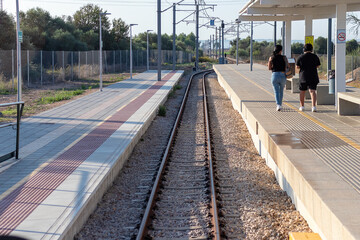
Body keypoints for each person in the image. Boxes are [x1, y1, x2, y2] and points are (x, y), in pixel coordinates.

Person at [296, 43, 321, 112]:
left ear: (304, 49)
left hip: (303, 76)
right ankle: (313, 107)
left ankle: (302, 106)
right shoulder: (315, 56)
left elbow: (297, 67)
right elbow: (318, 66)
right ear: (312, 49)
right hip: (313, 76)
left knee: (302, 91)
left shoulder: (300, 57)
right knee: (312, 91)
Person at [268, 45, 289, 111]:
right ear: (281, 51)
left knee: (276, 91)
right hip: (282, 75)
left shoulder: (271, 57)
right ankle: (280, 104)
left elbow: (269, 68)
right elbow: (287, 66)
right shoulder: (284, 57)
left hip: (275, 75)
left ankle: (278, 105)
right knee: (281, 91)